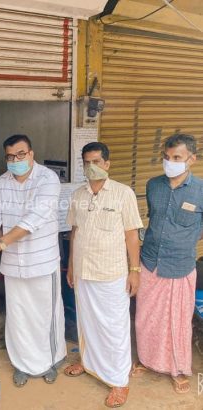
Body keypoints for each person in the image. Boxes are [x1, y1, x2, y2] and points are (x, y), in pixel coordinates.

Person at [0, 134, 66, 387]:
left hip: (42, 261)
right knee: (18, 316)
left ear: (31, 154)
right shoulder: (1, 183)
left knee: (46, 314)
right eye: (10, 156)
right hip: (12, 264)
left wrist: (0, 243)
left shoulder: (47, 179)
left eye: (20, 154)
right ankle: (22, 363)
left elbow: (34, 219)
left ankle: (50, 360)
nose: (15, 160)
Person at [64, 142, 143, 408]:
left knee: (114, 327)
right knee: (87, 322)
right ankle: (88, 364)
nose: (91, 167)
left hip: (112, 273)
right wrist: (71, 266)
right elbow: (74, 232)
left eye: (96, 161)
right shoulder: (78, 194)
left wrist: (134, 271)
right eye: (87, 162)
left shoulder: (123, 193)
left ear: (107, 164)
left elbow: (132, 235)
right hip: (84, 271)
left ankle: (119, 380)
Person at [133, 134, 202, 394]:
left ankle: (178, 368)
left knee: (177, 321)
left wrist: (185, 239)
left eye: (176, 157)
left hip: (180, 265)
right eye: (166, 156)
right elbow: (153, 218)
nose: (169, 162)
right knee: (146, 317)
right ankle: (146, 360)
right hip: (150, 261)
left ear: (191, 159)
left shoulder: (201, 190)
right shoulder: (153, 185)